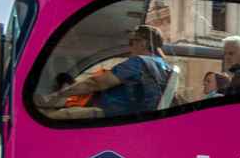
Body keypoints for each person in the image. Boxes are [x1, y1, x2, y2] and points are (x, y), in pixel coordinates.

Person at [40, 25, 173, 118]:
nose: (130, 46)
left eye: (131, 42)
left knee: (52, 118)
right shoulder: (163, 65)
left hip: (115, 115)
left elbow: (94, 83)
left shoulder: (139, 62)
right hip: (131, 114)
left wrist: (57, 95)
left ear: (143, 43)